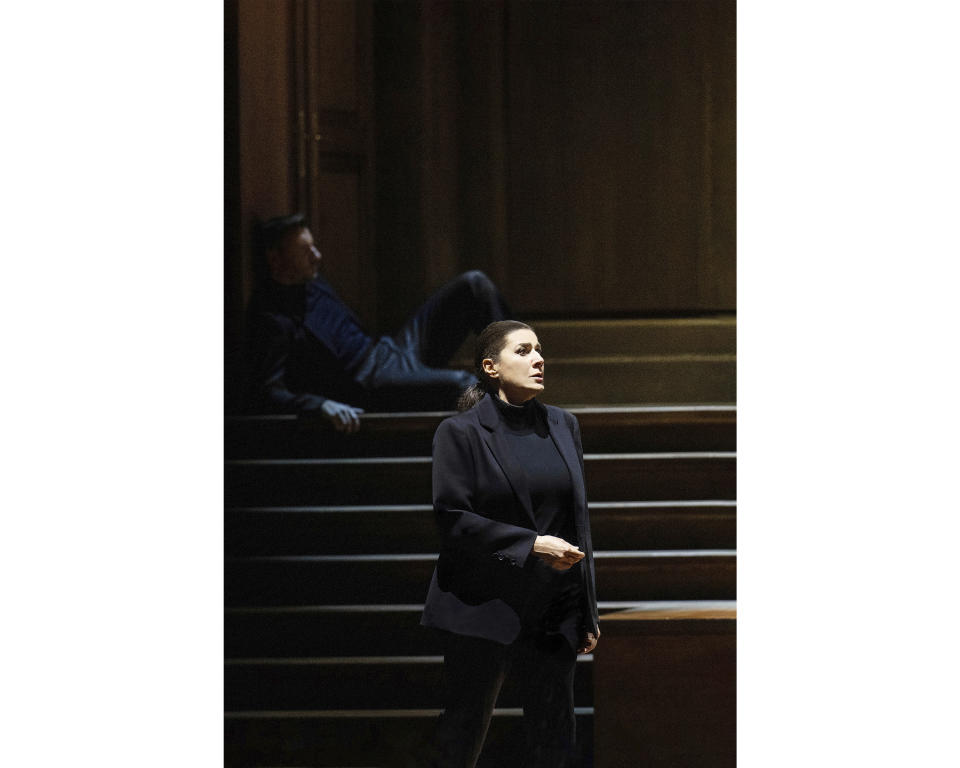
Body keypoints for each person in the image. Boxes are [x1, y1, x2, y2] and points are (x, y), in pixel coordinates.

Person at [412, 320, 600, 768]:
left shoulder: (563, 425)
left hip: (552, 608)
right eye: (524, 351)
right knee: (463, 733)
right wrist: (532, 544)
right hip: (483, 603)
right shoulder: (459, 433)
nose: (538, 359)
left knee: (555, 740)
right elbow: (453, 521)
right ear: (490, 367)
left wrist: (587, 609)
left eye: (539, 350)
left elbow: (578, 520)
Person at [244, 213, 512, 432]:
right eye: (305, 251)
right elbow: (269, 391)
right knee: (467, 386)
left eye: (313, 246)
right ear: (275, 260)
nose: (317, 256)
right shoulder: (271, 319)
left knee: (474, 285)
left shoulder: (309, 280)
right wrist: (320, 404)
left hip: (386, 350)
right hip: (370, 381)